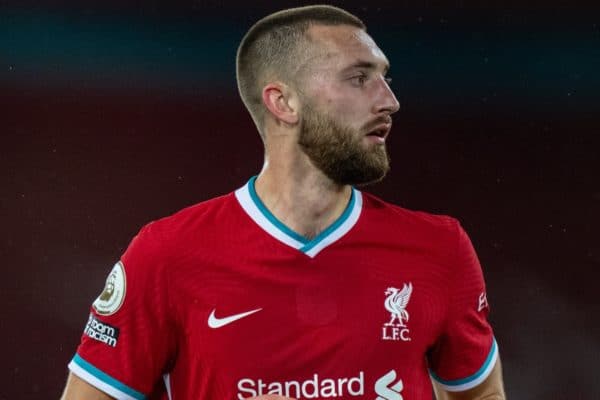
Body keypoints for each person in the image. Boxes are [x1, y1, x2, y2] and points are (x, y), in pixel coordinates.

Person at [60, 5, 505, 400]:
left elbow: (482, 394)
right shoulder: (166, 255)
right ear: (283, 102)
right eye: (359, 78)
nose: (390, 100)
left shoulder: (440, 249)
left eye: (384, 77)